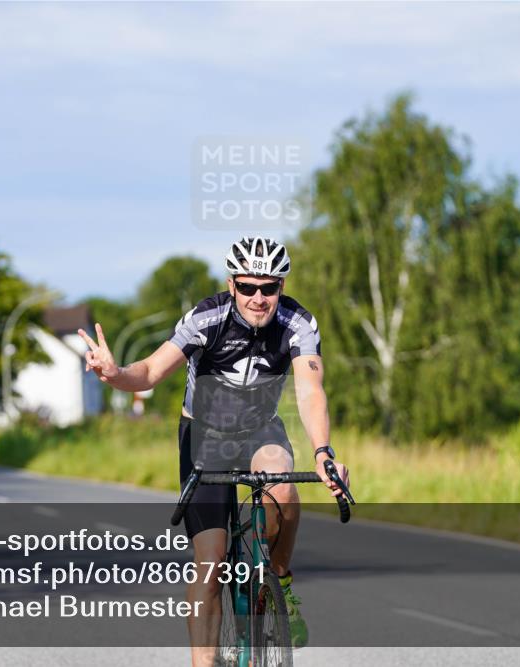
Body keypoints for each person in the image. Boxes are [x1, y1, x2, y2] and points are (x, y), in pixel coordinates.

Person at [78, 237, 350, 666]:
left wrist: (322, 452)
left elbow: (310, 389)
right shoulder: (207, 318)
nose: (258, 298)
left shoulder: (298, 322)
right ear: (231, 285)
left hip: (259, 430)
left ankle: (277, 580)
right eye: (247, 287)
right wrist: (115, 374)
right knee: (211, 563)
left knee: (282, 489)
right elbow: (150, 371)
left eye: (269, 287)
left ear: (281, 286)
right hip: (204, 436)